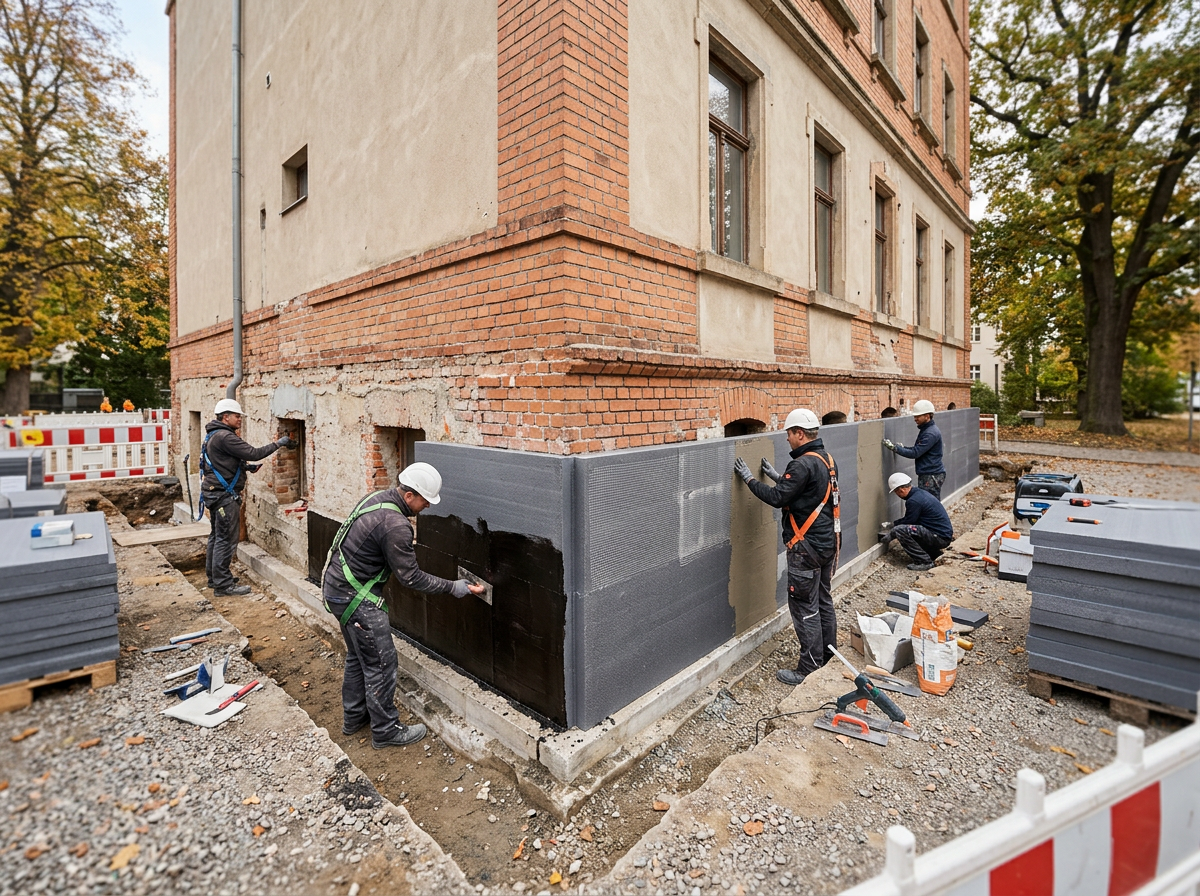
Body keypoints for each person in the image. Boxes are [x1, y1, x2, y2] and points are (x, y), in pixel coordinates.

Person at [322, 463, 484, 749]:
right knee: (382, 664)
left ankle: (354, 718)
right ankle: (385, 731)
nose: (426, 507)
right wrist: (455, 587)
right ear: (409, 495)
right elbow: (411, 578)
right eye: (424, 501)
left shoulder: (375, 499)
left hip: (338, 590)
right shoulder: (395, 525)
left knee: (359, 658)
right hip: (356, 600)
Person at [734, 408, 840, 687]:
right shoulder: (825, 459)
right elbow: (806, 491)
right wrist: (777, 475)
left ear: (800, 434)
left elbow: (778, 498)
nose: (787, 439)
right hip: (826, 544)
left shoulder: (802, 464)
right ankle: (829, 655)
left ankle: (808, 668)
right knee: (823, 601)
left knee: (804, 606)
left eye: (789, 434)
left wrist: (750, 479)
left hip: (806, 548)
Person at [202, 398, 296, 595]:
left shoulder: (213, 435)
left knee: (217, 536)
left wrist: (245, 467)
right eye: (237, 416)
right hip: (223, 497)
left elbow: (221, 462)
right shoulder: (226, 437)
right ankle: (223, 585)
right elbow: (253, 452)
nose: (240, 419)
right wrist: (279, 443)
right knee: (226, 539)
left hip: (214, 493)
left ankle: (214, 578)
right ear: (225, 417)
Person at [884, 472, 954, 571]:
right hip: (942, 535)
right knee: (914, 530)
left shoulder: (913, 501)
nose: (897, 495)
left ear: (901, 490)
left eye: (896, 492)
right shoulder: (920, 494)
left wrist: (892, 529)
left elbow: (909, 521)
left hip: (939, 537)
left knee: (901, 530)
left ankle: (924, 561)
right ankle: (934, 554)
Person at [882, 399, 946, 498]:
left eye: (918, 416)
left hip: (931, 475)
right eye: (915, 416)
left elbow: (915, 453)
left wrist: (895, 448)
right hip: (930, 473)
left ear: (927, 416)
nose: (915, 419)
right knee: (928, 503)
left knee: (929, 504)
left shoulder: (930, 433)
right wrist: (903, 448)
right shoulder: (927, 429)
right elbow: (917, 449)